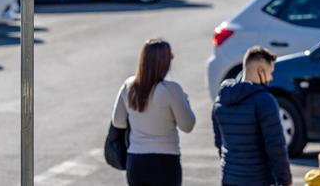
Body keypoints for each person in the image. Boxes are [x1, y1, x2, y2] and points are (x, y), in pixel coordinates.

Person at [112, 38, 196, 186]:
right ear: (164, 62)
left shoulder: (129, 86)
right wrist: (185, 102)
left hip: (136, 159)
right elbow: (187, 126)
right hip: (166, 159)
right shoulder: (172, 89)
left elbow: (117, 121)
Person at [213, 46, 292, 186]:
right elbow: (276, 147)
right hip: (258, 180)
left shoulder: (221, 99)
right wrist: (286, 181)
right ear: (260, 70)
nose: (271, 78)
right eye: (270, 72)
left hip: (229, 178)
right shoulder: (264, 100)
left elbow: (219, 142)